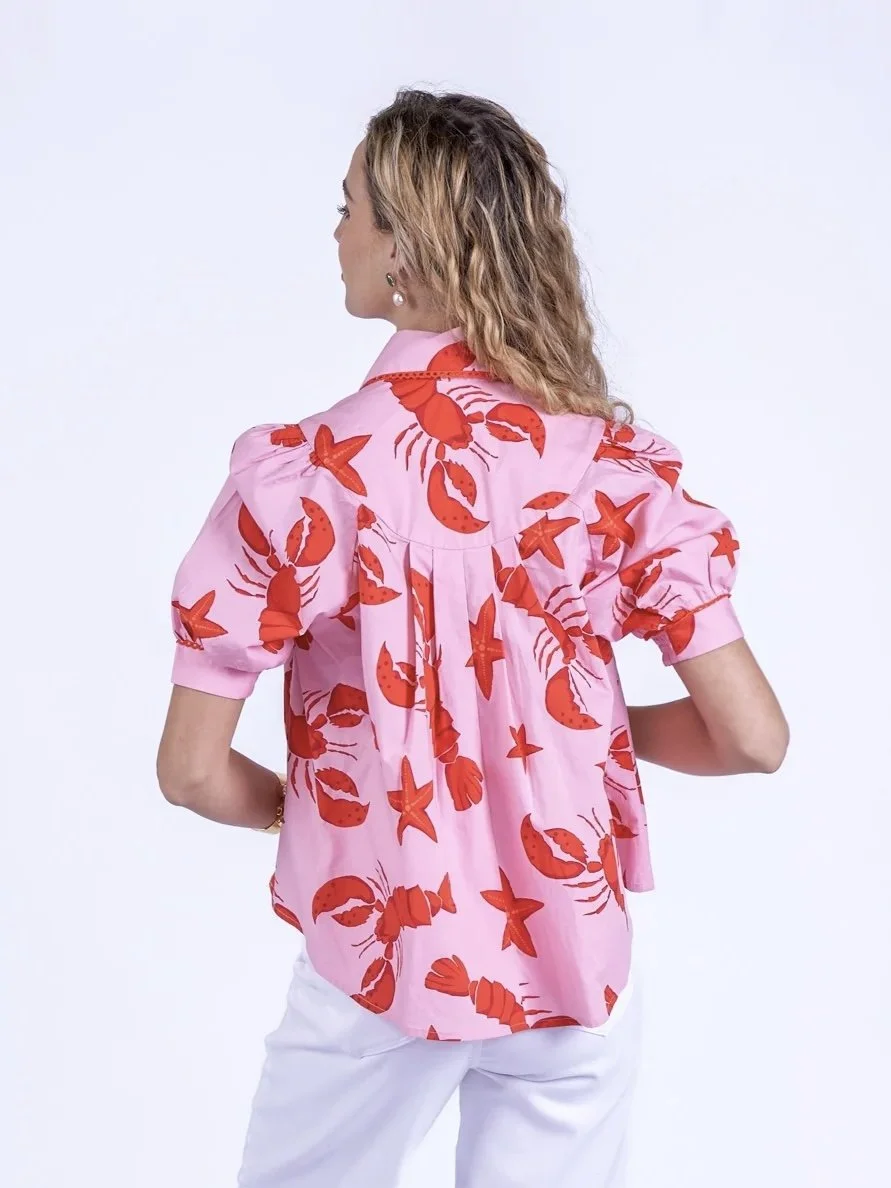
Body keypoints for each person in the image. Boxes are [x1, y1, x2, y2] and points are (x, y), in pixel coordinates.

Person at [156, 88, 789, 1188]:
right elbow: (752, 740)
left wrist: (320, 811)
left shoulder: (306, 481)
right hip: (571, 968)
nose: (337, 232)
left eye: (349, 207)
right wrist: (566, 728)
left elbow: (192, 771)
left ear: (403, 249)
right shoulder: (609, 473)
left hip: (379, 957)